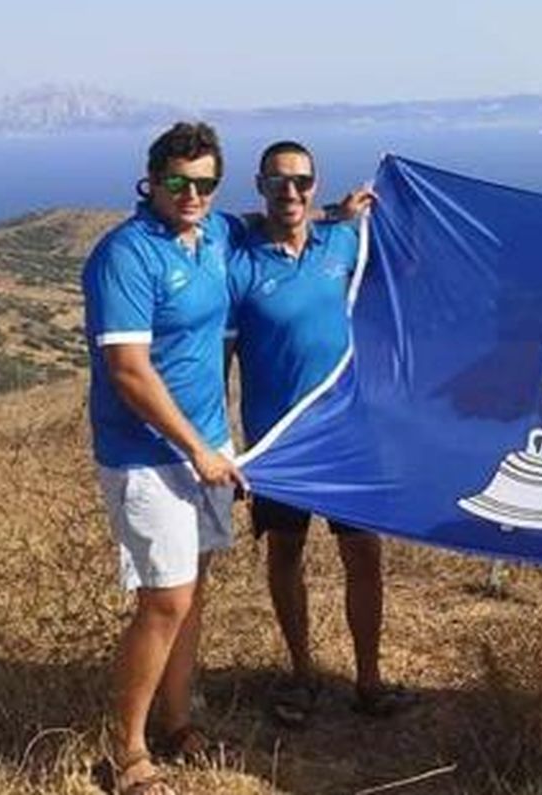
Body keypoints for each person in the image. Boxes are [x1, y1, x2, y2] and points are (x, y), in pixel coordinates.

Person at [81, 122, 246, 795]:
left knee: (192, 591)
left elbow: (276, 219)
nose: (193, 194)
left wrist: (341, 216)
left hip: (205, 447)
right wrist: (198, 449)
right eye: (179, 181)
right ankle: (125, 752)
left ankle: (178, 719)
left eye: (206, 182)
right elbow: (127, 369)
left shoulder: (215, 236)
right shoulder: (126, 253)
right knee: (164, 599)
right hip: (147, 457)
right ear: (151, 180)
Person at [227, 140, 411, 727]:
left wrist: (344, 212)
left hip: (348, 433)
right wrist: (228, 447)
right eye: (278, 182)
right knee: (286, 553)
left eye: (301, 181)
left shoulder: (340, 240)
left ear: (315, 184)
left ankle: (369, 680)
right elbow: (223, 357)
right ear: (260, 185)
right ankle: (302, 675)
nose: (290, 192)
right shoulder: (241, 263)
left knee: (364, 554)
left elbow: (396, 252)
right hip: (280, 440)